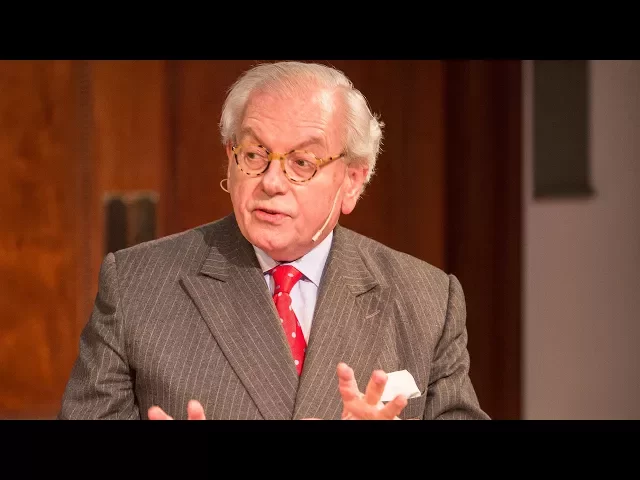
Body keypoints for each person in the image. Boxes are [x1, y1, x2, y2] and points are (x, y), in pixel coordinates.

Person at [58, 61, 489, 420]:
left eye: (302, 162)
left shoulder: (427, 300)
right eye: (254, 155)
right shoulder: (137, 286)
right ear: (230, 158)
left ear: (353, 181)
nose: (271, 182)